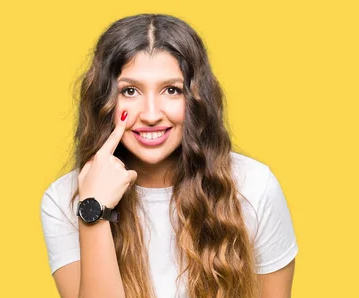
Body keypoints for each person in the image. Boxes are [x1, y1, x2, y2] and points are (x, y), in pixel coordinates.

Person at [39, 13, 298, 298]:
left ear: (197, 99)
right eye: (130, 91)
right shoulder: (64, 200)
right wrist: (94, 211)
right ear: (105, 101)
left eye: (172, 90)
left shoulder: (254, 187)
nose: (151, 115)